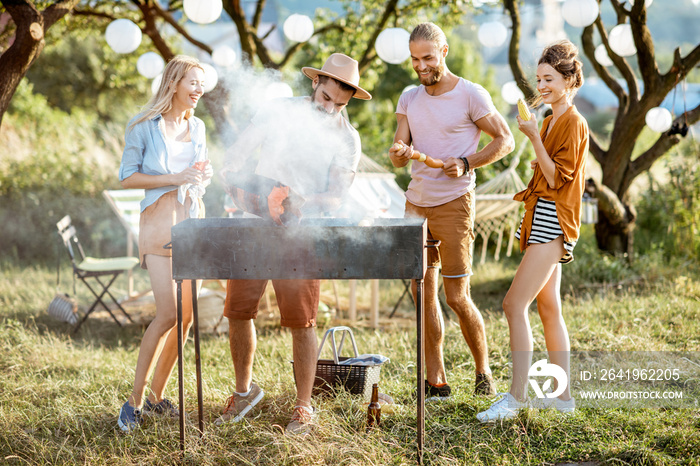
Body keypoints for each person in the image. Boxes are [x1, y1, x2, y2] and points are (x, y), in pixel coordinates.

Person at [216, 53, 371, 435]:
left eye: (339, 103)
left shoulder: (347, 139)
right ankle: (244, 392)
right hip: (254, 219)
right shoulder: (278, 111)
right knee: (238, 311)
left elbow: (336, 195)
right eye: (325, 98)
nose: (330, 107)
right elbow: (239, 150)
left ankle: (303, 406)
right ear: (315, 84)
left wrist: (303, 202)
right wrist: (231, 173)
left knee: (301, 321)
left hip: (302, 230)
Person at [389, 22, 514, 400]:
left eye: (427, 57)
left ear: (444, 52)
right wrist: (397, 151)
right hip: (415, 205)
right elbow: (399, 154)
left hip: (454, 204)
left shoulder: (471, 94)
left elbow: (505, 141)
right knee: (422, 294)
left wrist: (467, 161)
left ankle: (483, 371)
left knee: (457, 297)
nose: (420, 65)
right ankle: (436, 380)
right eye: (414, 58)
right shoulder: (409, 97)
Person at [477, 40, 588, 422]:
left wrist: (534, 139)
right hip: (541, 218)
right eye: (538, 79)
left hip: (553, 224)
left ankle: (517, 398)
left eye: (549, 79)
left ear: (569, 80)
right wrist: (537, 135)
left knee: (512, 305)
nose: (541, 86)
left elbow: (558, 179)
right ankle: (564, 399)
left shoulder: (572, 122)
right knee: (548, 308)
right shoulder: (548, 119)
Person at [117, 55, 214, 432]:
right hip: (158, 222)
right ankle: (134, 401)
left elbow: (199, 174)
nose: (198, 90)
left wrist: (200, 176)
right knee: (168, 314)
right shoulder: (143, 125)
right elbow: (127, 178)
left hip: (193, 220)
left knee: (187, 317)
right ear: (174, 82)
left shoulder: (199, 126)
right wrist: (176, 176)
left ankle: (157, 397)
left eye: (201, 84)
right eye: (193, 82)